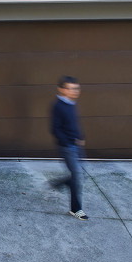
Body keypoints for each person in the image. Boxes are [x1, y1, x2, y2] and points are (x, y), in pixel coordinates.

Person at [50, 75, 87, 220]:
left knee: (79, 175)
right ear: (61, 89)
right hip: (67, 147)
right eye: (71, 89)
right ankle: (76, 209)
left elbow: (73, 124)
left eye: (76, 88)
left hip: (76, 145)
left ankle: (62, 182)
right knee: (77, 176)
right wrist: (67, 143)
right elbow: (55, 129)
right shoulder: (58, 106)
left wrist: (81, 137)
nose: (75, 91)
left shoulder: (71, 103)